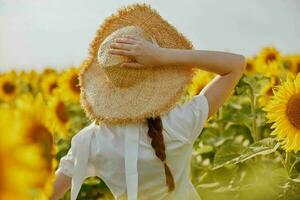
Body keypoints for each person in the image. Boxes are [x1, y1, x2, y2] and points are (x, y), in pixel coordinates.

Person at [50, 3, 246, 200]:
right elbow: (236, 65)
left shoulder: (91, 142)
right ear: (155, 74)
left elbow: (46, 195)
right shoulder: (179, 123)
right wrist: (162, 56)